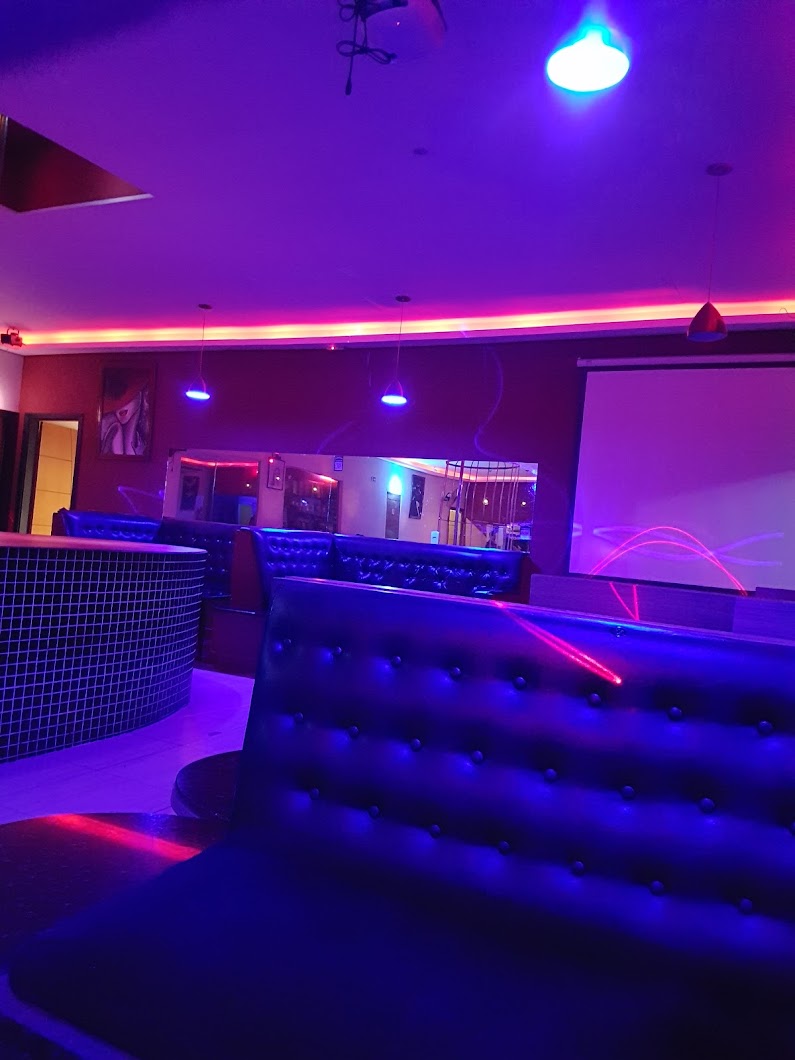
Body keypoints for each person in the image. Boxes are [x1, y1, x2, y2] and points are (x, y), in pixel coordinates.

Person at [100, 370, 151, 456]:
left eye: (127, 400)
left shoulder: (143, 439)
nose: (121, 407)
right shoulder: (110, 426)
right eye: (115, 405)